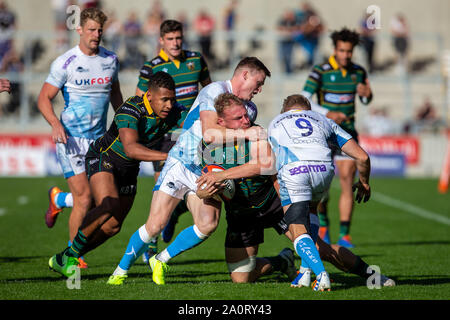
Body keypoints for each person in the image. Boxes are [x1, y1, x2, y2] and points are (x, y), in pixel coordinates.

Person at [196, 94, 395, 288]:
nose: (246, 120)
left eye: (245, 114)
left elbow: (266, 165)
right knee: (241, 278)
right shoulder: (206, 145)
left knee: (319, 249)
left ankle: (374, 276)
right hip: (241, 213)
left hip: (273, 202)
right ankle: (282, 262)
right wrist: (204, 192)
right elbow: (204, 185)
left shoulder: (256, 133)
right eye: (238, 118)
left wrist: (222, 176)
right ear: (221, 121)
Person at [106, 57, 269, 285]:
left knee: (208, 224)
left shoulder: (247, 109)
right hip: (182, 162)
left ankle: (161, 259)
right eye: (258, 82)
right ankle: (120, 272)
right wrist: (248, 134)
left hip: (207, 171)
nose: (260, 89)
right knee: (155, 225)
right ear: (245, 75)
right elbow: (210, 133)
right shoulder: (215, 90)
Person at [48, 71, 187, 278]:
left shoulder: (174, 111)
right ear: (149, 96)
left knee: (113, 226)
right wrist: (167, 156)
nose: (169, 105)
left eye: (172, 99)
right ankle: (71, 254)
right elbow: (131, 148)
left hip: (130, 169)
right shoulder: (131, 109)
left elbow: (196, 123)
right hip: (104, 157)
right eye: (164, 99)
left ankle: (66, 256)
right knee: (108, 204)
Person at [37, 7, 123, 268]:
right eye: (91, 30)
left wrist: (124, 123)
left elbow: (116, 94)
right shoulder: (66, 62)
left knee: (100, 200)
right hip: (71, 139)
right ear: (79, 30)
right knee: (85, 199)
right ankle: (73, 258)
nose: (96, 35)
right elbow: (43, 98)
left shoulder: (110, 60)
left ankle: (59, 199)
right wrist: (54, 124)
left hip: (99, 142)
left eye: (99, 30)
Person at [135, 19, 212, 260]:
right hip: (164, 135)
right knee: (161, 185)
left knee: (200, 185)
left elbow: (210, 91)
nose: (175, 42)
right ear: (161, 40)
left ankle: (177, 212)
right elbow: (140, 100)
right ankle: (151, 245)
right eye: (170, 39)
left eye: (178, 37)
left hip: (194, 137)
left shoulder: (196, 60)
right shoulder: (151, 67)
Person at [301, 28, 373, 248]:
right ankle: (323, 225)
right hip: (322, 135)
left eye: (349, 51)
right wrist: (327, 114)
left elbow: (366, 99)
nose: (345, 55)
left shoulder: (358, 71)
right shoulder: (320, 71)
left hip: (348, 134)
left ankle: (345, 234)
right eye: (342, 50)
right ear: (335, 50)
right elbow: (303, 100)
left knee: (346, 180)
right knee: (322, 183)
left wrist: (367, 95)